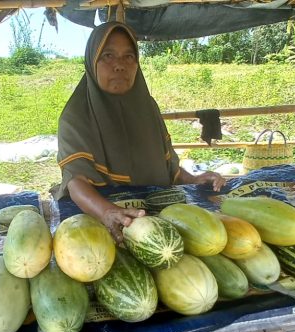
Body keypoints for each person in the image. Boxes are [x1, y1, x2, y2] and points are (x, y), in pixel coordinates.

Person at [54, 22, 225, 243]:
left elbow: (166, 167)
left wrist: (194, 179)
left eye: (129, 56)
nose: (119, 66)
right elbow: (75, 181)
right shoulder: (76, 116)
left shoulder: (147, 108)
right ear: (91, 61)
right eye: (107, 56)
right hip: (108, 220)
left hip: (156, 219)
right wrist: (107, 212)